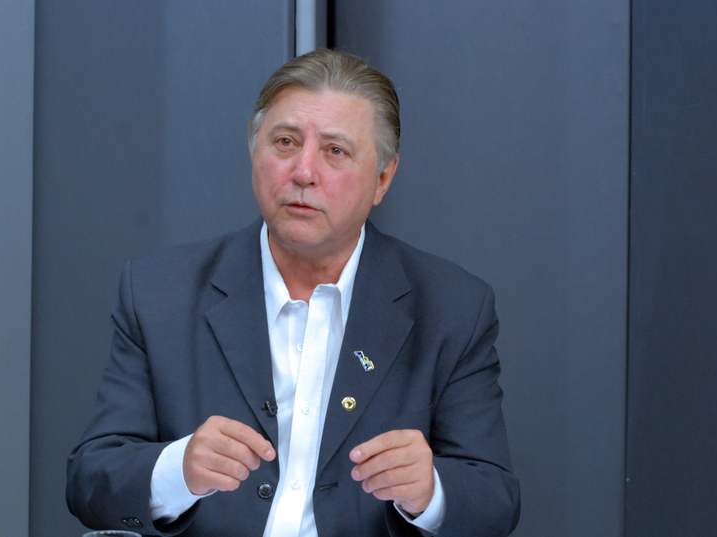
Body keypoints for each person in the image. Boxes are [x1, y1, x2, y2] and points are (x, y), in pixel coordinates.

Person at [67, 49, 520, 537]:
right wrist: (178, 470)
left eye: (335, 151)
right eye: (285, 142)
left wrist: (431, 491)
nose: (303, 172)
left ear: (382, 178)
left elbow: (494, 499)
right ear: (253, 152)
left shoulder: (451, 308)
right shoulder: (159, 293)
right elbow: (90, 481)